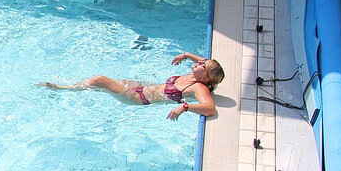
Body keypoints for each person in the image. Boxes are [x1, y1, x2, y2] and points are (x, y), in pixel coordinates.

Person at [38, 51, 224, 120]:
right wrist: (186, 55)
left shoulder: (199, 87)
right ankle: (71, 87)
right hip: (140, 86)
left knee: (99, 80)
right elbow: (206, 61)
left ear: (206, 78)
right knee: (99, 84)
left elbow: (210, 108)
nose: (199, 63)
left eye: (202, 66)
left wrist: (184, 107)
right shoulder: (195, 75)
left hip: (138, 98)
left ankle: (63, 90)